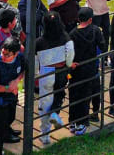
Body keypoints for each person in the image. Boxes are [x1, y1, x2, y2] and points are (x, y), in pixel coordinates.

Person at [34, 11, 73, 145]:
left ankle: (44, 135)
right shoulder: (65, 37)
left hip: (46, 73)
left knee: (45, 103)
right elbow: (70, 53)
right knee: (59, 94)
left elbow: (34, 62)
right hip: (61, 72)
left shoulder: (39, 42)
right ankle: (55, 113)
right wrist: (67, 64)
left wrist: (35, 76)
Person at [68, 7, 105, 135]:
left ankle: (73, 122)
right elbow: (103, 47)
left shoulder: (72, 34)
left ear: (78, 19)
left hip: (76, 69)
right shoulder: (96, 31)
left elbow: (68, 52)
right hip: (91, 68)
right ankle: (83, 123)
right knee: (88, 94)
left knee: (74, 94)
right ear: (90, 19)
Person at [0, 37, 25, 153]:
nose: (4, 56)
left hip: (12, 97)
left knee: (11, 118)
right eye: (2, 53)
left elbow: (23, 71)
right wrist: (8, 88)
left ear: (16, 54)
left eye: (7, 55)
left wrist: (17, 81)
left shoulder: (20, 58)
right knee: (0, 127)